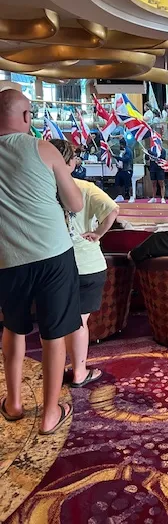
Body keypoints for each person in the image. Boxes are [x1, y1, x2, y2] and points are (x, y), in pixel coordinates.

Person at [0, 89, 83, 435]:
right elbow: (76, 204)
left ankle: (14, 403)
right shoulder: (43, 148)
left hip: (7, 260)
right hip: (53, 254)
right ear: (24, 117)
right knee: (54, 333)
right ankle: (50, 414)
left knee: (14, 327)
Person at [50, 139, 119, 387]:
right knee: (79, 322)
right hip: (87, 264)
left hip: (52, 265)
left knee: (58, 322)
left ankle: (60, 371)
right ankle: (79, 372)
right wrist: (98, 233)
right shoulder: (85, 187)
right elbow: (113, 209)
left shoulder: (39, 189)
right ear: (70, 162)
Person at [113, 139, 133, 203]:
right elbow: (120, 161)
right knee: (118, 182)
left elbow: (126, 159)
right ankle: (120, 196)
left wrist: (116, 157)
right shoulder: (121, 152)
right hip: (120, 169)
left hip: (127, 169)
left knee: (128, 184)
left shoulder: (128, 151)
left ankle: (131, 197)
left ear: (122, 144)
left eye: (120, 144)